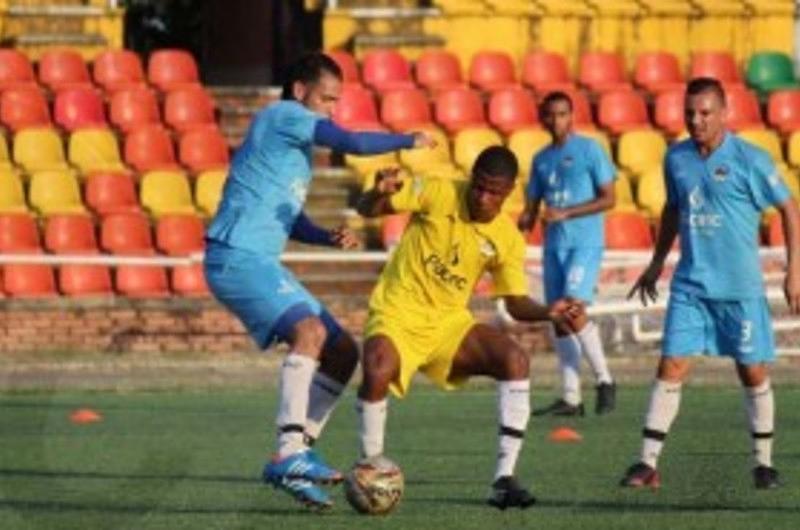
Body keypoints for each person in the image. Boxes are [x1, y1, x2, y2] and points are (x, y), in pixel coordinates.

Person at [203, 52, 434, 509]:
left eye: (337, 100)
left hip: (259, 260)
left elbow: (288, 218)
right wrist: (407, 139)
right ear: (299, 90)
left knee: (342, 351)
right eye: (326, 99)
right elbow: (347, 139)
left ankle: (297, 451)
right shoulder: (284, 116)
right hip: (237, 257)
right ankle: (290, 452)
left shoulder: (292, 152)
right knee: (308, 332)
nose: (331, 108)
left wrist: (325, 236)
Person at [355, 146, 585, 509]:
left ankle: (503, 481)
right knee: (378, 365)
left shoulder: (507, 238)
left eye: (493, 191)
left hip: (448, 325)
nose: (482, 197)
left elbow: (515, 304)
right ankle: (371, 469)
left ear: (508, 192)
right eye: (478, 186)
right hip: (398, 313)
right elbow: (367, 210)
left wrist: (548, 311)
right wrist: (377, 193)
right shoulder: (438, 191)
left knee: (514, 359)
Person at [620, 77, 800, 490]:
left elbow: (789, 209)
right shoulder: (676, 159)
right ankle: (646, 464)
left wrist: (794, 271)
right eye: (689, 113)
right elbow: (672, 210)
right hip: (690, 287)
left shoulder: (750, 159)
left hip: (740, 289)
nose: (696, 121)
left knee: (751, 371)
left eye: (704, 113)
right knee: (671, 365)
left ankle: (763, 463)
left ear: (724, 113)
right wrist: (655, 264)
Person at [517, 91, 617, 417]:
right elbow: (532, 207)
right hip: (554, 246)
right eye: (551, 115)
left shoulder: (590, 150)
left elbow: (608, 199)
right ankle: (571, 398)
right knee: (557, 317)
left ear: (571, 116)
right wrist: (522, 226)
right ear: (543, 118)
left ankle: (605, 380)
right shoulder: (541, 159)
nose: (557, 121)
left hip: (584, 243)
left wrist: (568, 213)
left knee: (572, 308)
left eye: (563, 114)